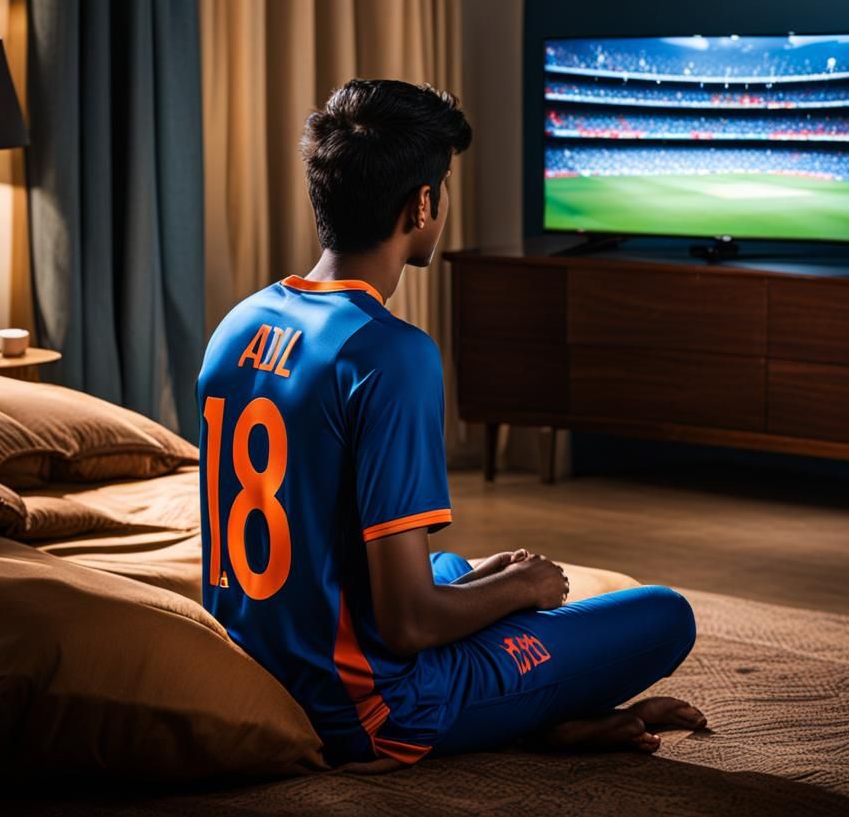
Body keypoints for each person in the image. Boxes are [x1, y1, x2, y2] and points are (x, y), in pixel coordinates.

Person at [196, 78, 705, 771]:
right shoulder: (390, 353)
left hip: (267, 668)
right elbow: (409, 625)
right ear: (424, 203)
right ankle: (542, 719)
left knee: (453, 567)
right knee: (665, 615)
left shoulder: (238, 323)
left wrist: (481, 584)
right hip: (370, 710)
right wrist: (522, 589)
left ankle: (531, 691)